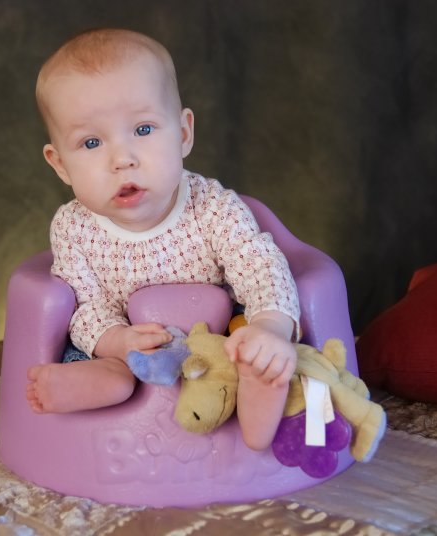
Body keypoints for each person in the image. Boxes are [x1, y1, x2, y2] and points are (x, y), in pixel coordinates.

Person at [25, 28, 300, 451]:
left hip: (218, 342)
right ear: (60, 164)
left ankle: (260, 388)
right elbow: (83, 305)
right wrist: (117, 340)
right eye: (92, 142)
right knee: (111, 374)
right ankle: (83, 385)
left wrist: (270, 327)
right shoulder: (73, 228)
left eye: (144, 129)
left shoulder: (213, 207)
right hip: (129, 349)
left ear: (184, 133)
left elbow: (258, 264)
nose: (123, 159)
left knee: (248, 347)